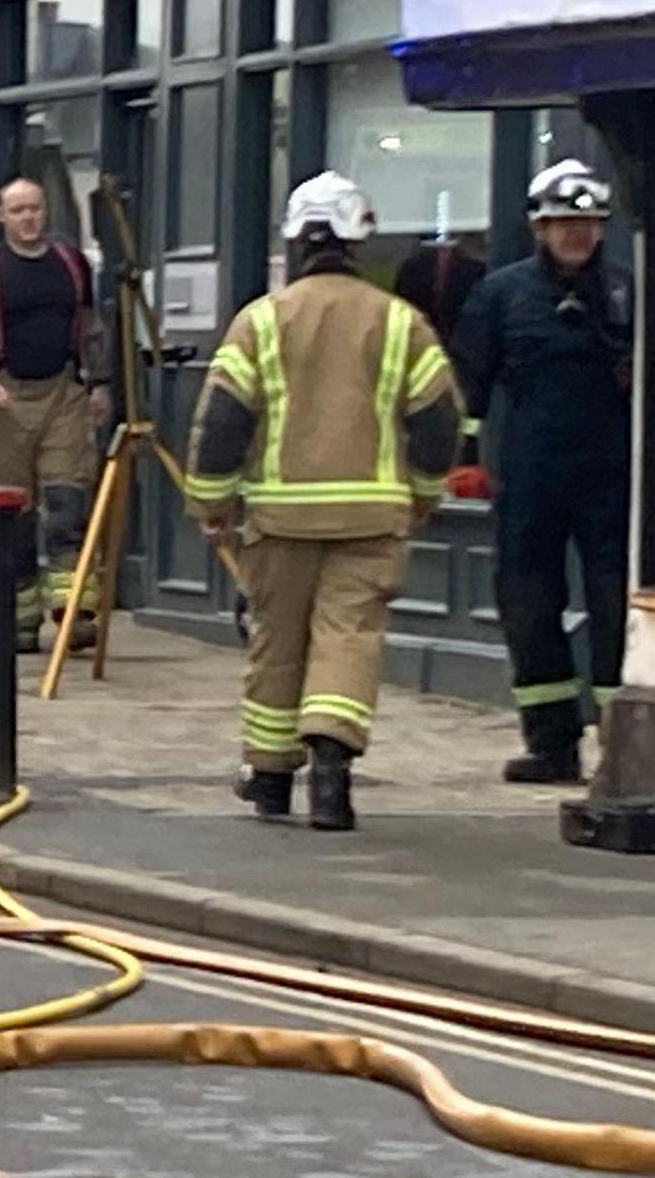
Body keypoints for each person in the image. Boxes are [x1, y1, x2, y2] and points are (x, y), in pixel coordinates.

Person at [185, 172, 465, 833]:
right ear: (358, 241)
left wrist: (211, 504)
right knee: (348, 638)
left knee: (276, 643)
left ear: (297, 241)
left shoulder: (261, 321)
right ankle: (332, 778)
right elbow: (438, 421)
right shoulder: (400, 323)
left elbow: (222, 422)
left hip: (280, 519)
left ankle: (272, 777)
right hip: (371, 518)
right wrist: (424, 493)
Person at [451, 159, 632, 785]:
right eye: (562, 223)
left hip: (612, 474)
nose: (574, 234)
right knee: (529, 603)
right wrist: (463, 460)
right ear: (539, 227)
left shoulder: (629, 294)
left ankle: (624, 747)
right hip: (530, 473)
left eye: (585, 224)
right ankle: (552, 743)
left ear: (602, 229)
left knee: (616, 604)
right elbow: (467, 383)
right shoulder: (502, 294)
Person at [0, 178, 113, 651]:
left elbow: (90, 327)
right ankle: (19, 621)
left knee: (68, 504)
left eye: (35, 209)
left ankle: (74, 614)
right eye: (18, 210)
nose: (28, 218)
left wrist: (100, 384)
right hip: (7, 398)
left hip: (63, 393)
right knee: (14, 515)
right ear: (1, 216)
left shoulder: (70, 264)